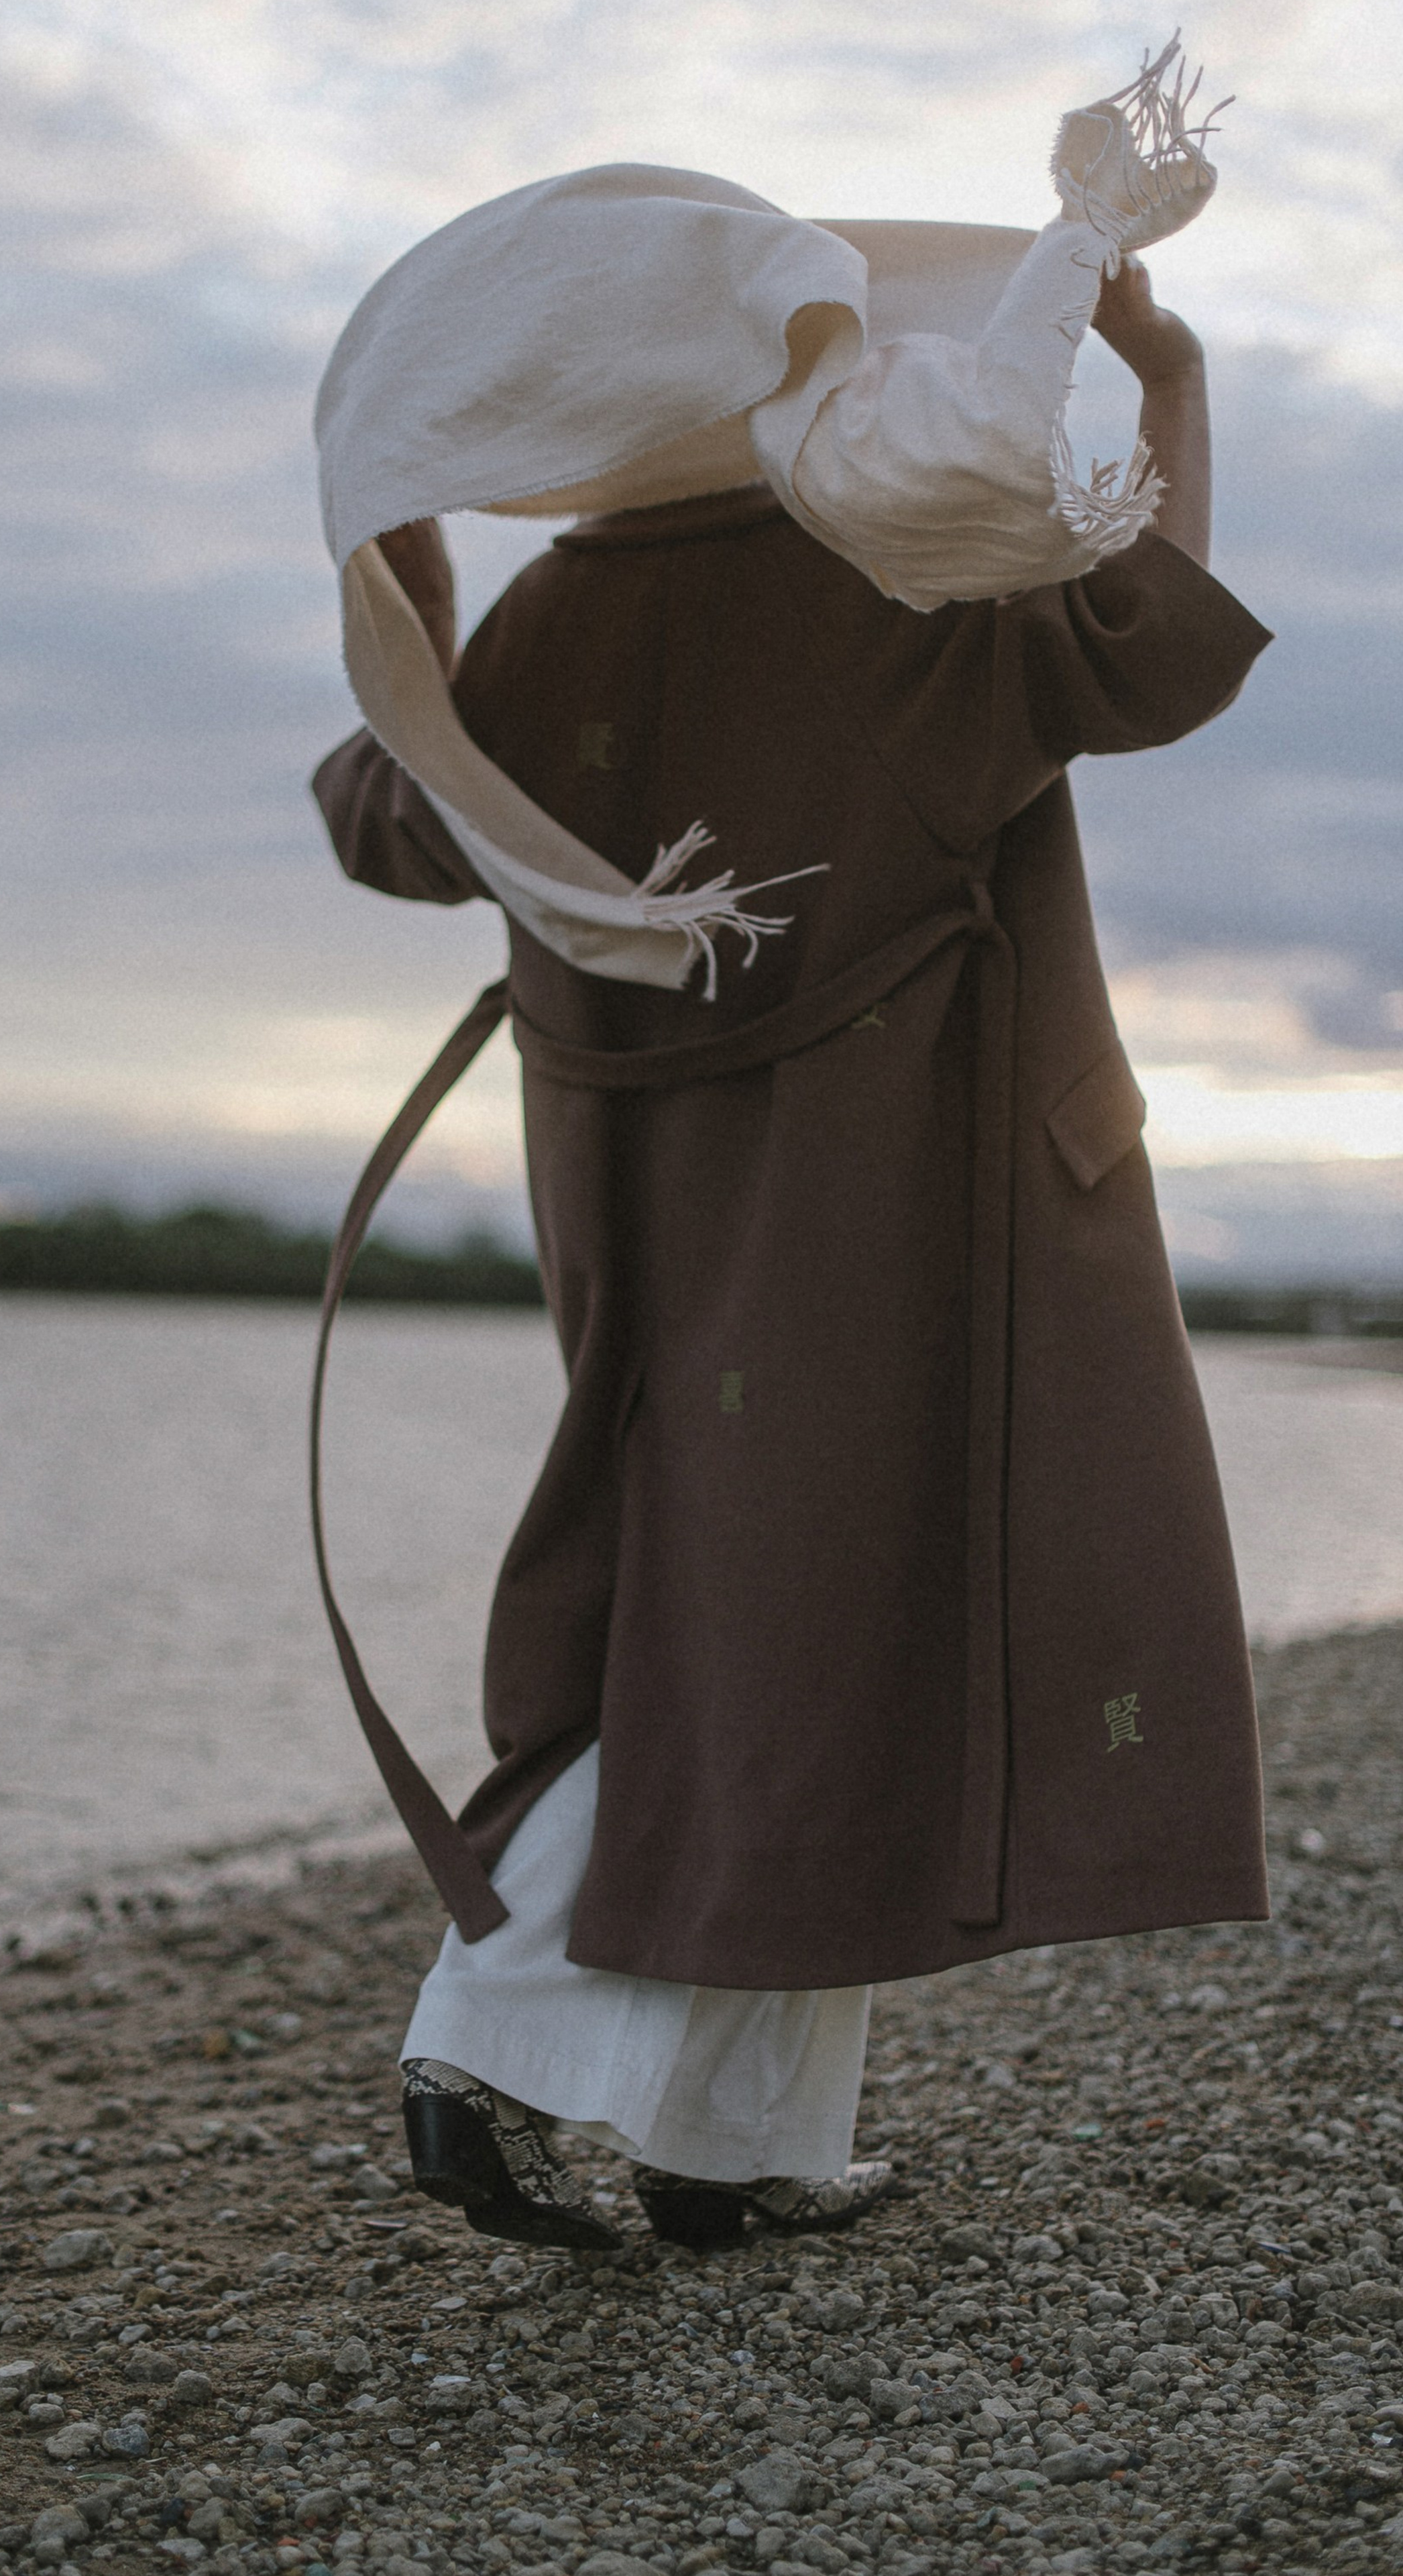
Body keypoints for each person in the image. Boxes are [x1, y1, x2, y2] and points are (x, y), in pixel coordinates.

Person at [309, 77, 1271, 2255]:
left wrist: (413, 568)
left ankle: (734, 2157)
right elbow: (1152, 649)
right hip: (892, 1194)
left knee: (766, 1606)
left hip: (629, 1205)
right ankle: (483, 2034)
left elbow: (388, 819)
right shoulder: (895, 567)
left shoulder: (549, 612)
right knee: (817, 1609)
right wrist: (1171, 372)